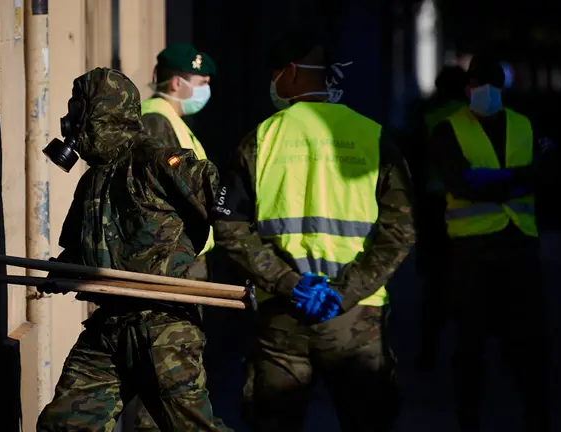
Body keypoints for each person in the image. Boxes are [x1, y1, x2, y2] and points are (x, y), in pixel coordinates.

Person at [211, 30, 415, 432]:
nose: (272, 84)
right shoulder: (372, 137)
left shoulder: (260, 139)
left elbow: (230, 227)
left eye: (274, 75)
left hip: (282, 315)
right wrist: (346, 292)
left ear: (290, 72)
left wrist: (290, 284)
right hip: (356, 319)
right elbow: (401, 230)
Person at [36, 67, 231, 432]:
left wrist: (241, 263)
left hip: (162, 326)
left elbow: (222, 196)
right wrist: (63, 270)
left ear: (99, 111)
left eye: (77, 109)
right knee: (65, 423)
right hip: (109, 324)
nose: (69, 119)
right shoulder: (93, 180)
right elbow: (83, 249)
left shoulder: (155, 160)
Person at [429, 54, 552, 432]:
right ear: (467, 88)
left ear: (501, 88)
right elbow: (462, 183)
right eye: (477, 84)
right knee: (471, 343)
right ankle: (469, 418)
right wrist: (519, 177)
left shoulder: (524, 125)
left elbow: (547, 175)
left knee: (528, 340)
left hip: (519, 245)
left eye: (490, 85)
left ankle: (536, 416)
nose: (483, 91)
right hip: (472, 250)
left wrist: (493, 179)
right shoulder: (448, 129)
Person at [129, 43, 219, 432]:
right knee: (170, 375)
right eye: (201, 81)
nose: (206, 88)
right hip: (170, 264)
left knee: (177, 371)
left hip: (183, 262)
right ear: (177, 83)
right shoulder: (156, 120)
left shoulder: (172, 120)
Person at [414, 65, 469, 370]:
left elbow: (415, 165)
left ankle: (428, 354)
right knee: (468, 283)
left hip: (435, 207)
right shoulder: (476, 118)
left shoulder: (429, 118)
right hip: (469, 207)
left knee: (434, 285)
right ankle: (466, 352)